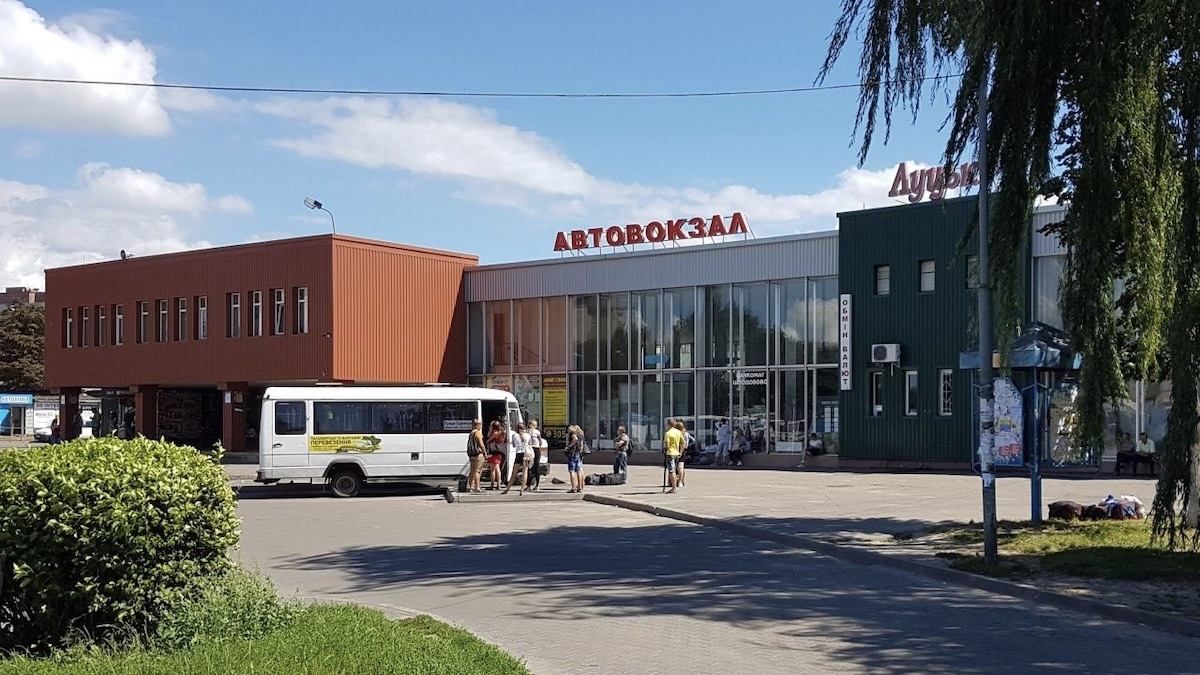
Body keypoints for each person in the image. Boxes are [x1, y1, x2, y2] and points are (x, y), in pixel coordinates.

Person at [503, 422, 531, 495]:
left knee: (514, 472)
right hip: (526, 454)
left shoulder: (514, 435)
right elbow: (530, 445)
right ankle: (521, 490)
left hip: (518, 454)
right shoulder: (528, 435)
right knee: (525, 472)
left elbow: (514, 445)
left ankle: (507, 489)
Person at [663, 418, 684, 494]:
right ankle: (674, 486)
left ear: (668, 424)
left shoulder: (668, 433)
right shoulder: (678, 432)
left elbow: (666, 444)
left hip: (670, 453)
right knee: (674, 469)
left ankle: (674, 487)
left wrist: (665, 450)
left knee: (671, 471)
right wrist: (680, 452)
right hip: (676, 453)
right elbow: (683, 443)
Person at [564, 424, 586, 493]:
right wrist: (580, 451)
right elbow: (582, 445)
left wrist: (569, 446)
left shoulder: (572, 434)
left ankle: (574, 487)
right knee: (579, 470)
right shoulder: (580, 434)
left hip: (572, 454)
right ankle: (580, 487)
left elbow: (575, 439)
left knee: (572, 470)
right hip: (578, 453)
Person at [485, 420, 507, 490]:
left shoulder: (495, 433)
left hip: (494, 452)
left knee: (493, 469)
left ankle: (492, 484)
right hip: (500, 452)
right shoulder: (502, 432)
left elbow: (488, 441)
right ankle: (498, 484)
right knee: (498, 468)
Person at [466, 419, 486, 493]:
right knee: (477, 471)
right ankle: (477, 487)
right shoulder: (478, 433)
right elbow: (481, 444)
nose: (480, 425)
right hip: (478, 454)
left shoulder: (471, 433)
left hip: (472, 455)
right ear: (476, 425)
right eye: (479, 424)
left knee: (472, 470)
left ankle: (470, 486)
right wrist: (485, 453)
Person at [675, 420, 694, 488]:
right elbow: (693, 440)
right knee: (681, 467)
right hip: (684, 451)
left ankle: (675, 482)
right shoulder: (686, 433)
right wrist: (688, 445)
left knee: (675, 467)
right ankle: (681, 481)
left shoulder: (676, 434)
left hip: (676, 450)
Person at [527, 420, 544, 491]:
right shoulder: (536, 432)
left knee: (529, 467)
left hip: (530, 449)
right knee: (536, 467)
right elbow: (540, 442)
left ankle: (529, 485)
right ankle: (537, 485)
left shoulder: (527, 431)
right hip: (536, 449)